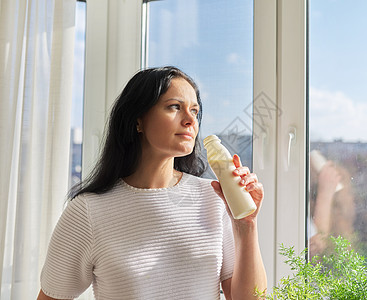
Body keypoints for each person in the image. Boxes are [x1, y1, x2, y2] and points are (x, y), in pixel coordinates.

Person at [37, 66, 267, 300]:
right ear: (138, 120)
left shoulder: (213, 198)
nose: (190, 120)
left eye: (195, 111)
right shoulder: (88, 211)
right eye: (174, 107)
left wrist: (247, 224)